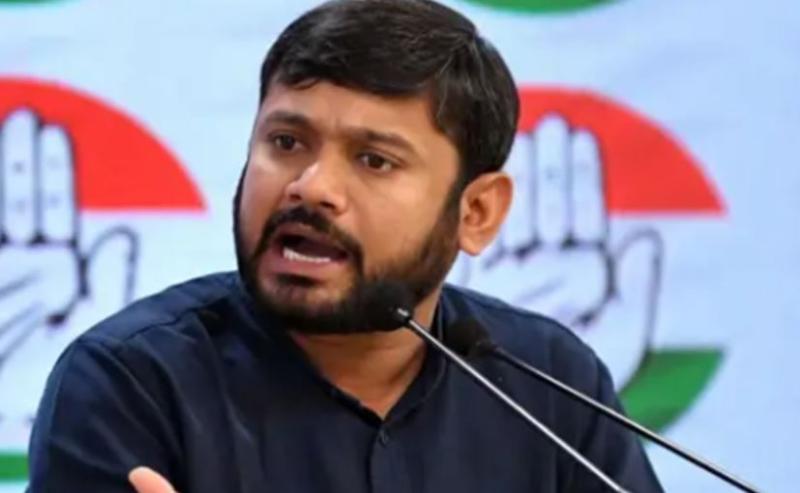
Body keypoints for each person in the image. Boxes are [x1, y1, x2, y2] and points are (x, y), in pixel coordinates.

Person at [27, 0, 663, 491]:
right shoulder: (132, 384)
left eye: (374, 160)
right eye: (286, 143)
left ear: (476, 212)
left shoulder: (549, 384)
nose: (311, 187)